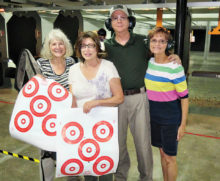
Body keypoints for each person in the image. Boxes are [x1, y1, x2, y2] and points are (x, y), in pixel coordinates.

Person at [104, 4, 181, 181]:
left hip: (140, 98)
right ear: (110, 23)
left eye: (123, 17)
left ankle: (146, 178)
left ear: (130, 21)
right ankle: (120, 177)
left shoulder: (141, 42)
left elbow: (159, 52)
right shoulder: (106, 46)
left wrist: (173, 56)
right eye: (115, 18)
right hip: (115, 100)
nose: (119, 21)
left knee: (143, 144)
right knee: (118, 144)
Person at [68, 31, 124, 181]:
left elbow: (119, 97)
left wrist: (96, 102)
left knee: (104, 167)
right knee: (88, 167)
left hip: (104, 126)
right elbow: (72, 100)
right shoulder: (73, 70)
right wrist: (72, 123)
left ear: (97, 48)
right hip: (83, 126)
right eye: (83, 46)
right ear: (79, 49)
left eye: (91, 45)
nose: (87, 50)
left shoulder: (108, 67)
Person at [37, 29, 81, 181]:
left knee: (70, 150)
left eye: (61, 43)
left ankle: (73, 178)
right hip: (48, 118)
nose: (57, 47)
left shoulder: (71, 62)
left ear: (66, 46)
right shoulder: (41, 64)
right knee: (47, 153)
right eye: (53, 44)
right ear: (48, 47)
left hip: (68, 117)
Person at [144, 27, 188, 181]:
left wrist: (182, 125)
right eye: (154, 40)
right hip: (153, 118)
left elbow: (184, 98)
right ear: (149, 43)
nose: (157, 44)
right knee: (162, 153)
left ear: (168, 44)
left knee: (170, 157)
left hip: (170, 119)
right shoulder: (148, 63)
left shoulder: (175, 67)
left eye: (162, 41)